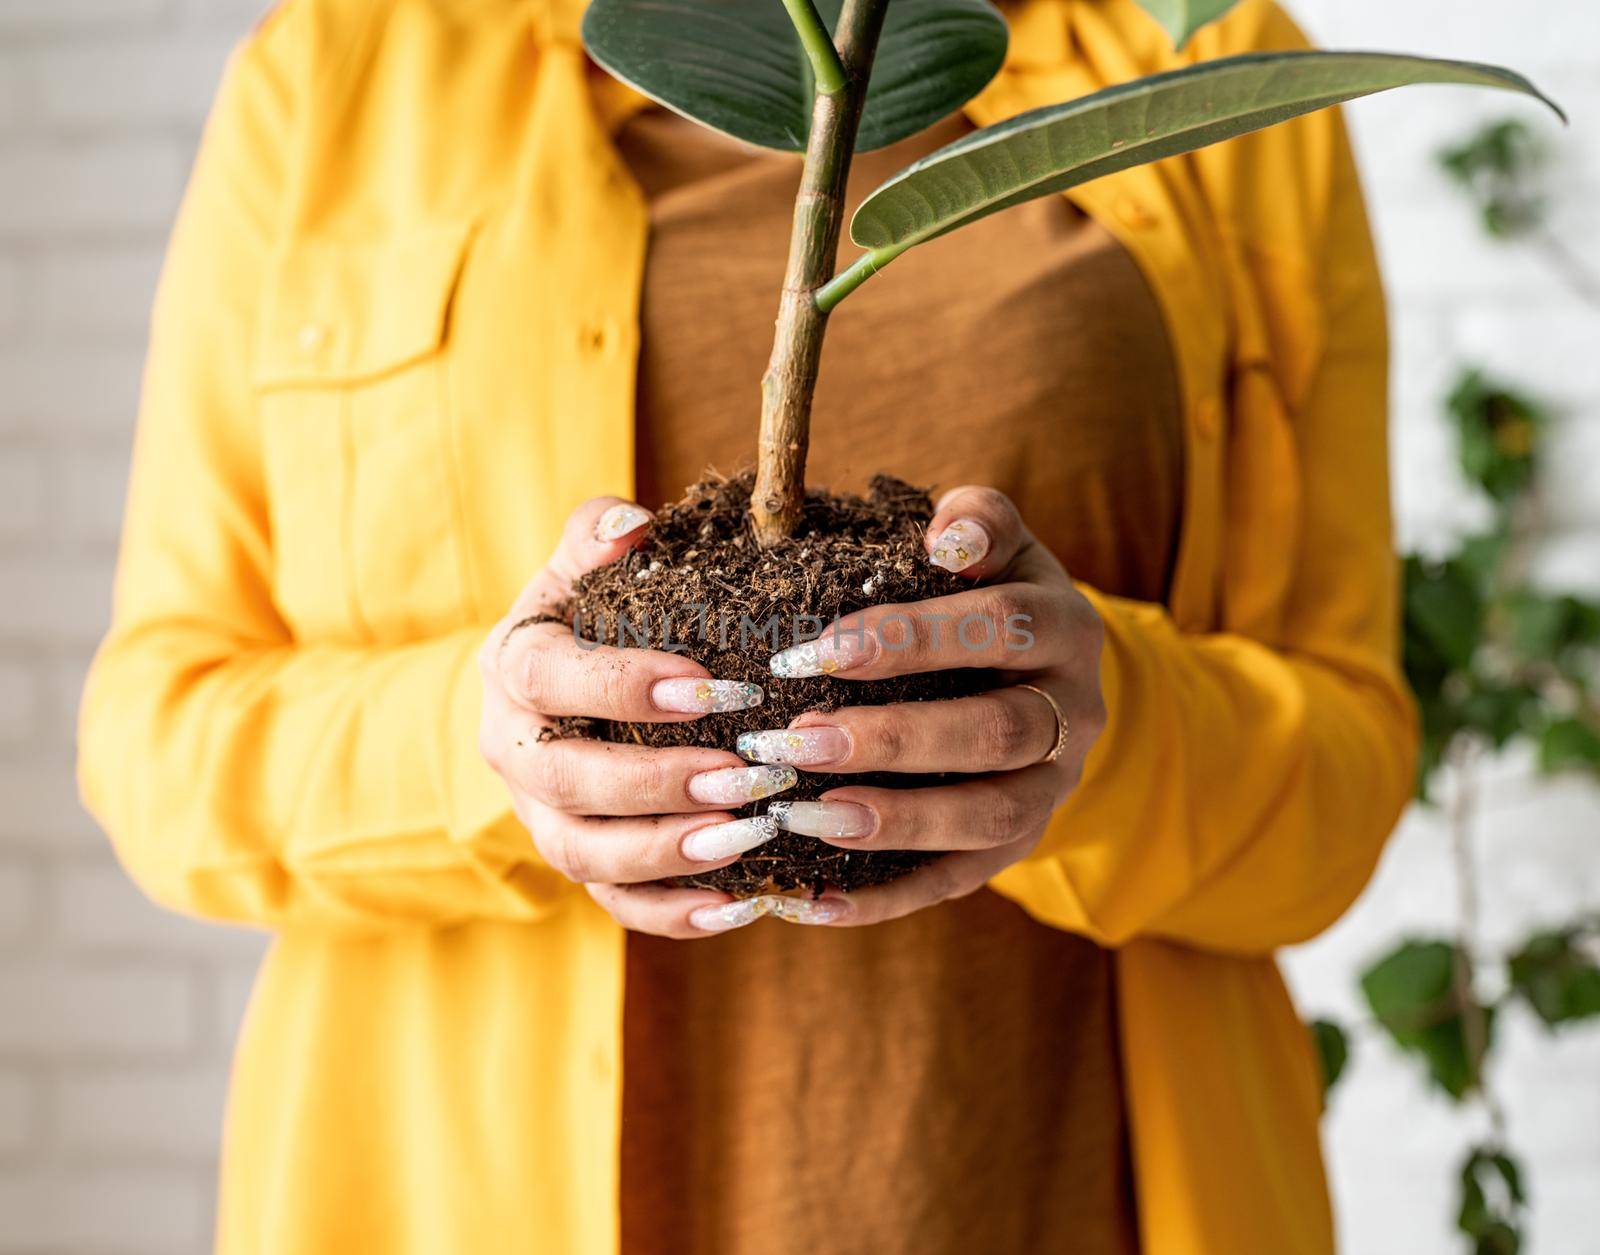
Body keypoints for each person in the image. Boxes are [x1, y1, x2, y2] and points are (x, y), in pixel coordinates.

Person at [78, 0, 1417, 1251]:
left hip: (1052, 1190)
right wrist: (491, 742)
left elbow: (1345, 779)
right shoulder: (346, 74)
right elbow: (162, 745)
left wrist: (1095, 724)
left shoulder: (1201, 64)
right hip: (459, 1194)